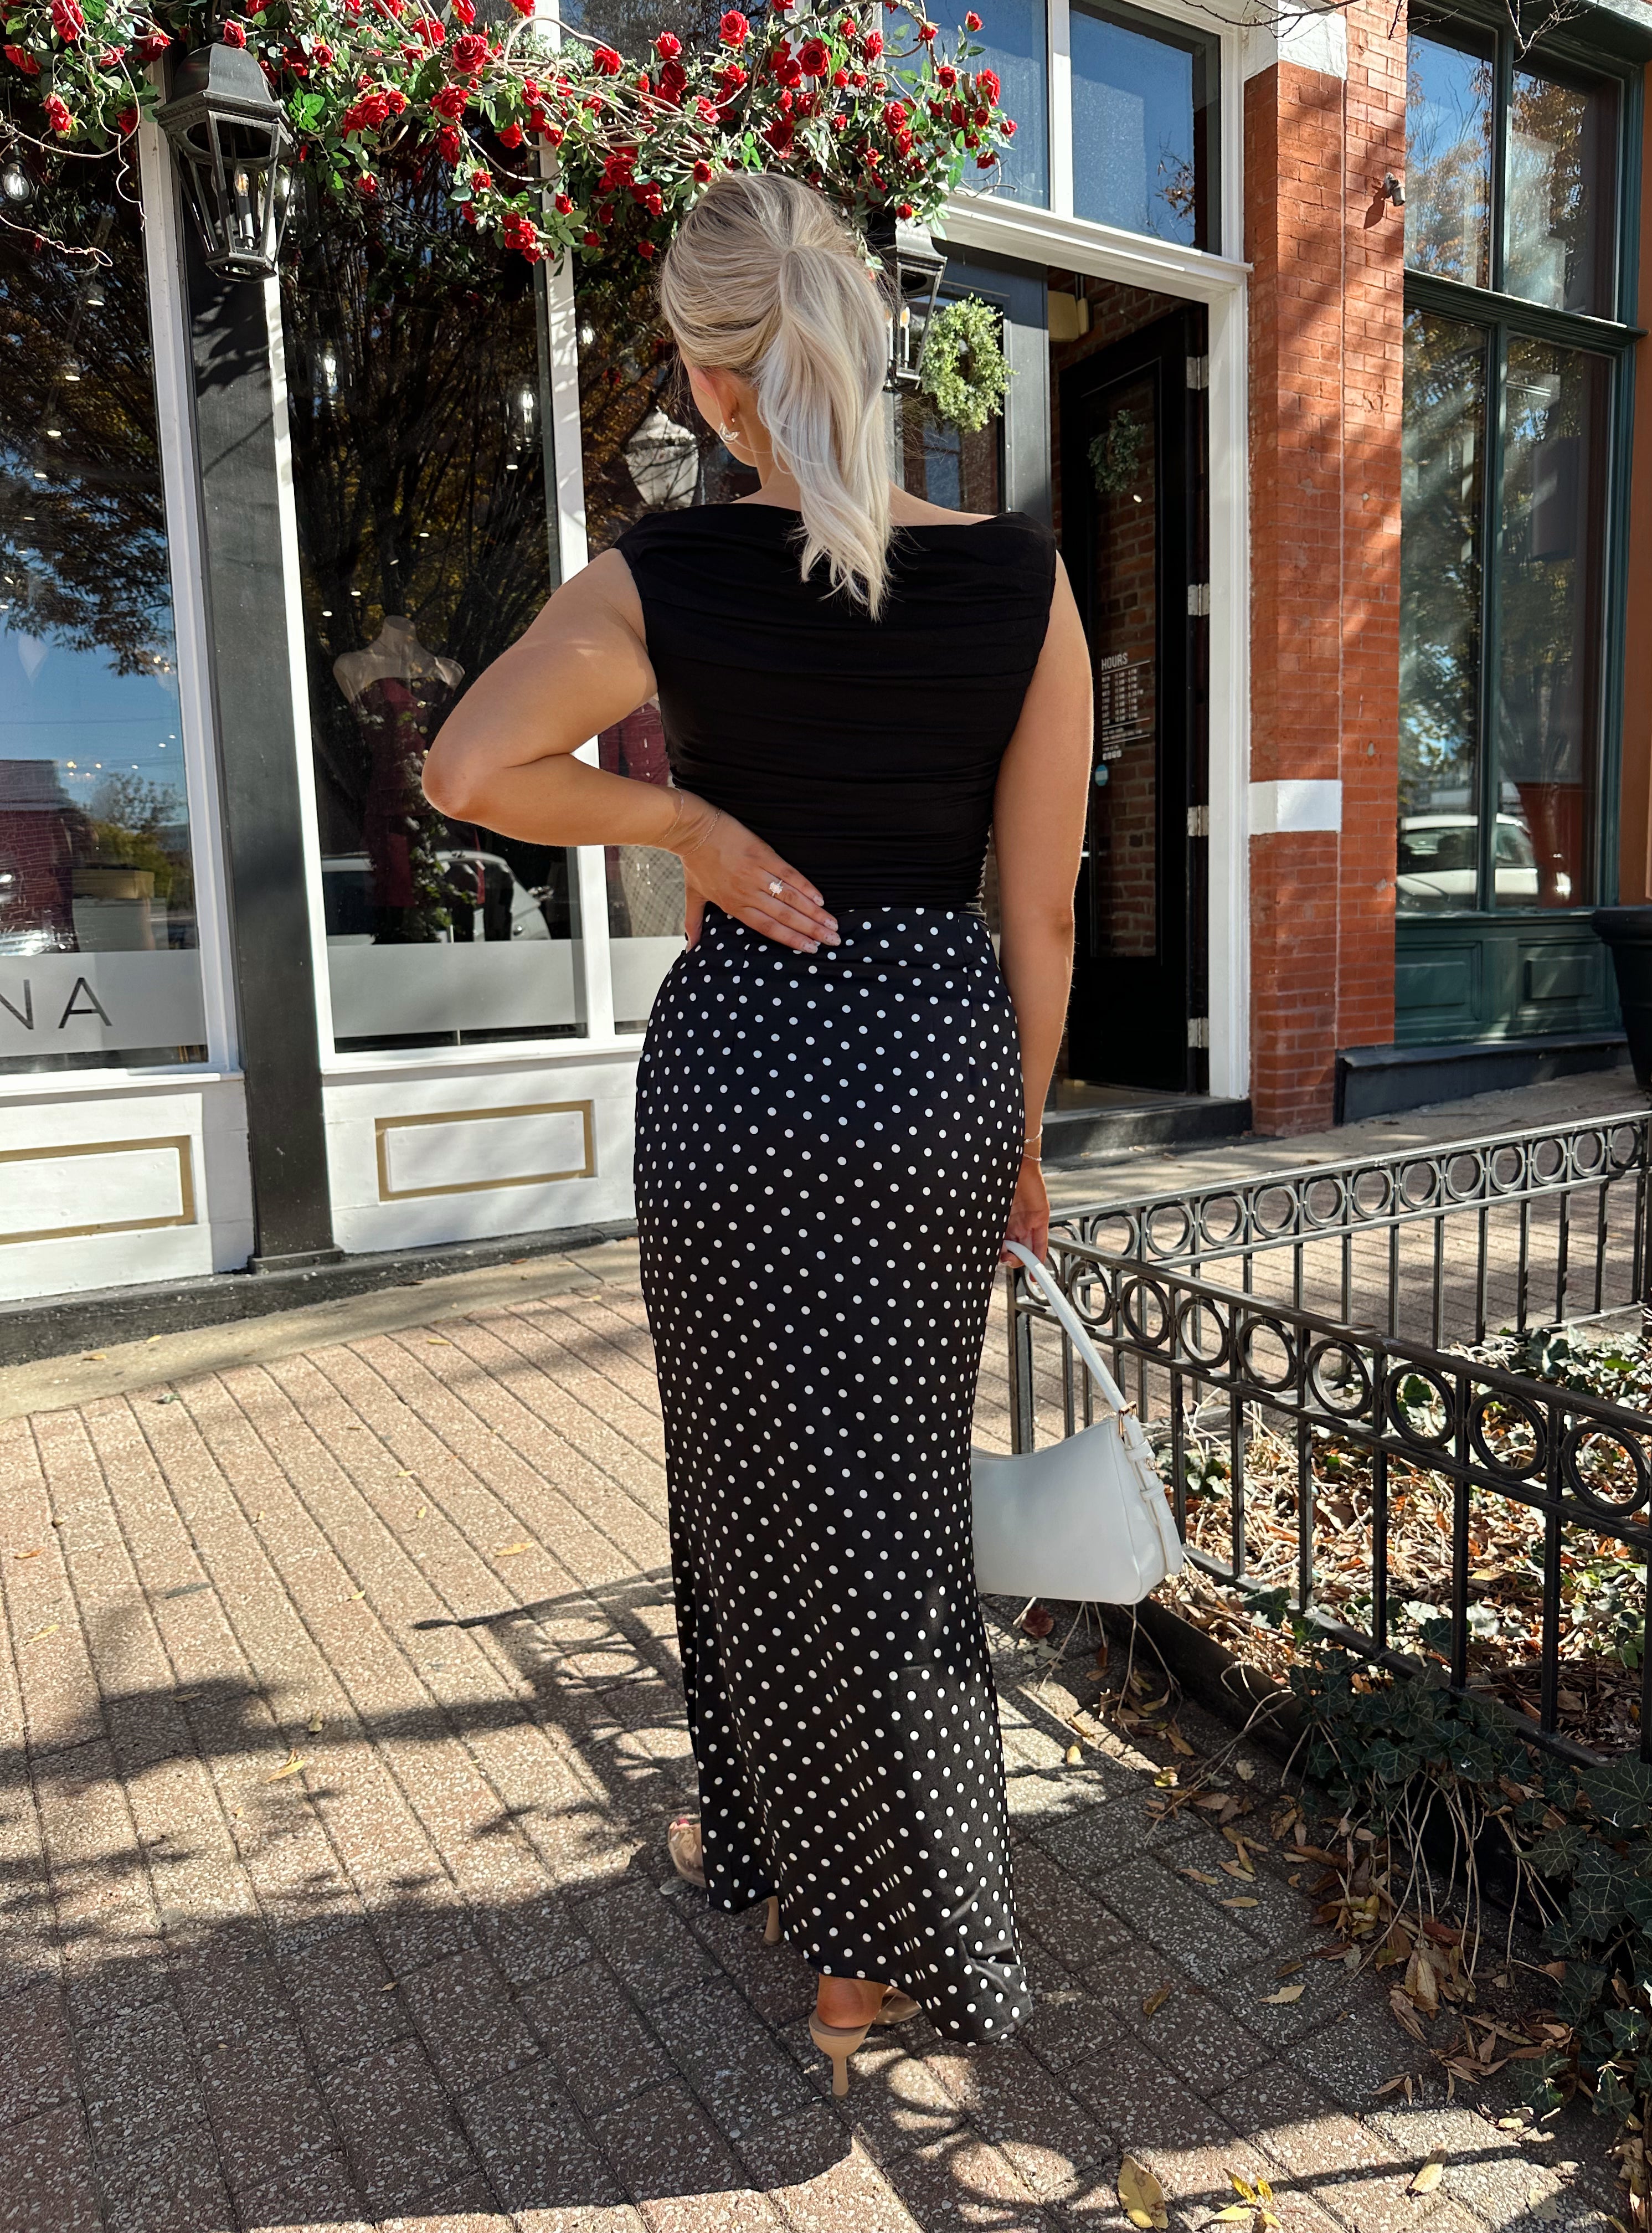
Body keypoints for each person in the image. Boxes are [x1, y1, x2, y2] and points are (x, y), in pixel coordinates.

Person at [422, 170, 1093, 2093]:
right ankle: (868, 1939)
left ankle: (819, 1881)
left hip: (739, 1083)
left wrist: (690, 831)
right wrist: (1019, 1142)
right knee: (893, 1503)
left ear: (716, 385)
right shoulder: (1024, 584)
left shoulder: (669, 574)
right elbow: (1042, 920)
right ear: (872, 352)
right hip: (932, 1072)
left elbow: (467, 770)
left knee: (747, 1491)